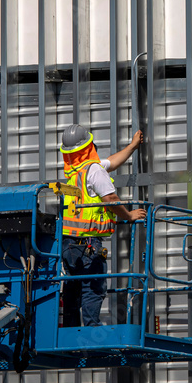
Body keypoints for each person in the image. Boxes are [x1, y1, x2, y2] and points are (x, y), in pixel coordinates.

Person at [59, 124, 145, 327]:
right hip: (88, 244)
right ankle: (90, 331)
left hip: (68, 244)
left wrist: (132, 146)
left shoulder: (75, 172)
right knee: (93, 288)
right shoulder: (94, 171)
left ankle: (71, 335)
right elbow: (111, 199)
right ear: (89, 146)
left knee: (73, 289)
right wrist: (129, 216)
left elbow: (111, 162)